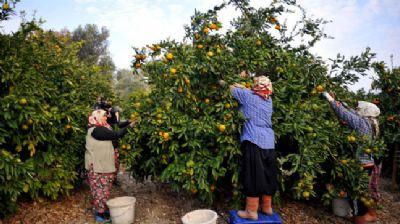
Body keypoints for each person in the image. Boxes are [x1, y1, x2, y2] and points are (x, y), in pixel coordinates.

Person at [322, 92, 381, 224]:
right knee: (363, 192)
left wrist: (330, 99)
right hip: (369, 164)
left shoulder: (361, 123)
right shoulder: (372, 123)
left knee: (356, 196)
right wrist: (338, 101)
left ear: (364, 112)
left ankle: (360, 219)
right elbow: (351, 112)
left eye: (359, 109)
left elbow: (344, 114)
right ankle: (371, 214)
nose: (357, 111)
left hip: (361, 165)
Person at [230, 75, 277, 220]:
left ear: (255, 86)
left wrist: (239, 80)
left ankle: (251, 211)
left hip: (254, 140)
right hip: (269, 142)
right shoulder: (269, 100)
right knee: (268, 175)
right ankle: (267, 207)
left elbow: (231, 88)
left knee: (253, 176)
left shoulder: (247, 95)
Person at [85, 109, 135, 222]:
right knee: (100, 189)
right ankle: (99, 214)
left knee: (104, 188)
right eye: (103, 116)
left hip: (102, 164)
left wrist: (127, 121)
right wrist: (130, 126)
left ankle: (102, 209)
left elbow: (116, 124)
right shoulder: (96, 130)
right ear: (97, 117)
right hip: (98, 165)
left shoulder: (103, 126)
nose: (106, 117)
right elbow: (116, 134)